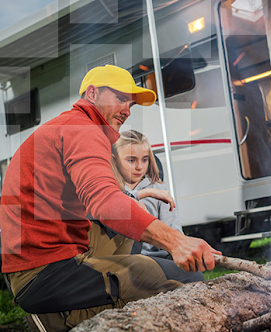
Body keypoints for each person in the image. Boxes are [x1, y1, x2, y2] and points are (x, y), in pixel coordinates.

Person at [0, 65, 220, 331]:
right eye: (120, 97)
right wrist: (176, 241)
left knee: (128, 225)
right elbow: (104, 202)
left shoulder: (68, 126)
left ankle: (92, 299)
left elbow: (103, 199)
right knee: (185, 279)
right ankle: (59, 318)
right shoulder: (83, 130)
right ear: (92, 93)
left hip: (36, 264)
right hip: (44, 274)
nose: (127, 109)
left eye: (131, 103)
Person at [110, 129, 203, 283]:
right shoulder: (110, 188)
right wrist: (145, 193)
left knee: (195, 274)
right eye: (131, 160)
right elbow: (114, 204)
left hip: (156, 259)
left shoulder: (161, 190)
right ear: (115, 159)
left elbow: (174, 231)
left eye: (145, 159)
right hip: (122, 258)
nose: (140, 167)